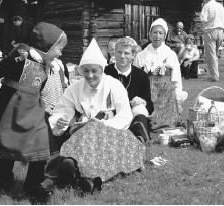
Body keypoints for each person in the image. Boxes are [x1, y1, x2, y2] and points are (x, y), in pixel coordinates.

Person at [0, 22, 67, 203]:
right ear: (47, 45)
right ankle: (5, 179)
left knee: (41, 143)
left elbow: (47, 89)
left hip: (33, 109)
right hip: (11, 108)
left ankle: (33, 186)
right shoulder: (21, 56)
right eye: (59, 48)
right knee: (8, 144)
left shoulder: (48, 63)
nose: (61, 52)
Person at [47, 39, 143, 184]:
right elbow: (62, 110)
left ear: (101, 70)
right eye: (86, 71)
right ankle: (77, 171)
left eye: (94, 71)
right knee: (82, 139)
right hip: (81, 134)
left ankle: (81, 173)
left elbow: (125, 115)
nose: (90, 75)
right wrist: (60, 122)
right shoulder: (75, 87)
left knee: (106, 145)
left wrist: (103, 125)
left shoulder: (114, 85)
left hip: (110, 132)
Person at [134, 18, 187, 127]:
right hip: (147, 95)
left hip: (166, 97)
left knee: (167, 124)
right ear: (149, 34)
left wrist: (178, 102)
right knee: (143, 118)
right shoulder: (141, 56)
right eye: (154, 32)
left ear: (164, 36)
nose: (157, 36)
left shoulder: (170, 55)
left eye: (160, 33)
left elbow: (176, 79)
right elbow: (135, 77)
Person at [104, 37, 154, 142]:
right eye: (119, 52)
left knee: (140, 108)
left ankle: (139, 139)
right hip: (112, 113)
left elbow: (150, 106)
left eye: (126, 53)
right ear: (114, 53)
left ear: (133, 56)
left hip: (132, 114)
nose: (122, 56)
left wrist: (143, 101)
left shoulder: (141, 76)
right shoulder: (105, 72)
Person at [200, 0, 224, 82]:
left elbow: (203, 19)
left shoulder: (206, 6)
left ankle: (215, 77)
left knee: (211, 55)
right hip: (221, 32)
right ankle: (214, 74)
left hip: (211, 31)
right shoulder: (220, 6)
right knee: (215, 55)